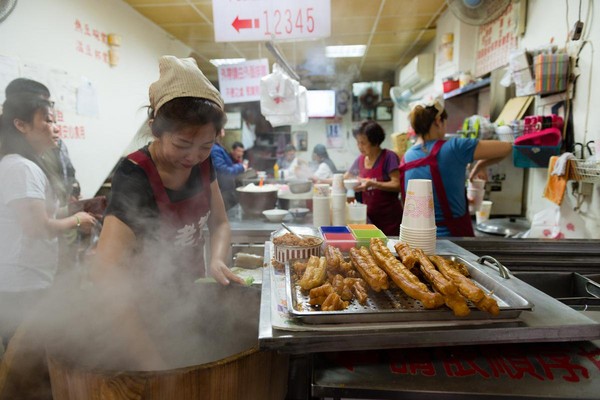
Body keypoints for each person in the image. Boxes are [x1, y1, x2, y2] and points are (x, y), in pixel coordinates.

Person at [90, 56, 244, 370]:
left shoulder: (204, 162)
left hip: (187, 298)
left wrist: (216, 259)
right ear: (156, 130)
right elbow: (105, 273)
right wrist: (152, 363)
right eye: (183, 143)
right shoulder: (134, 177)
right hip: (138, 315)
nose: (194, 156)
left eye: (206, 145)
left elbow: (220, 223)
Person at [0, 92, 97, 397]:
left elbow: (40, 215)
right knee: (23, 364)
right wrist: (78, 220)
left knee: (33, 356)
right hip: (21, 283)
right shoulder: (21, 168)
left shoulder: (27, 165)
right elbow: (36, 227)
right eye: (48, 120)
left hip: (31, 277)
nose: (55, 127)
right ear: (21, 125)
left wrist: (77, 209)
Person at [400, 98, 512, 237]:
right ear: (438, 121)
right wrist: (480, 165)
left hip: (416, 239)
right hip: (454, 240)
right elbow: (507, 148)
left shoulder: (406, 157)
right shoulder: (455, 148)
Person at [344, 121, 402, 236]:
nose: (360, 146)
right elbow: (346, 177)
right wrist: (321, 181)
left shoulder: (389, 157)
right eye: (358, 142)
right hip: (369, 220)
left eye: (363, 143)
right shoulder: (360, 159)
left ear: (375, 142)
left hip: (390, 220)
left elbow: (397, 185)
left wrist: (373, 184)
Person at [211, 131, 248, 210]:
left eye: (242, 151)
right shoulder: (215, 149)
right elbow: (223, 170)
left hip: (226, 188)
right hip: (223, 189)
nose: (224, 130)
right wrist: (241, 167)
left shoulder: (219, 147)